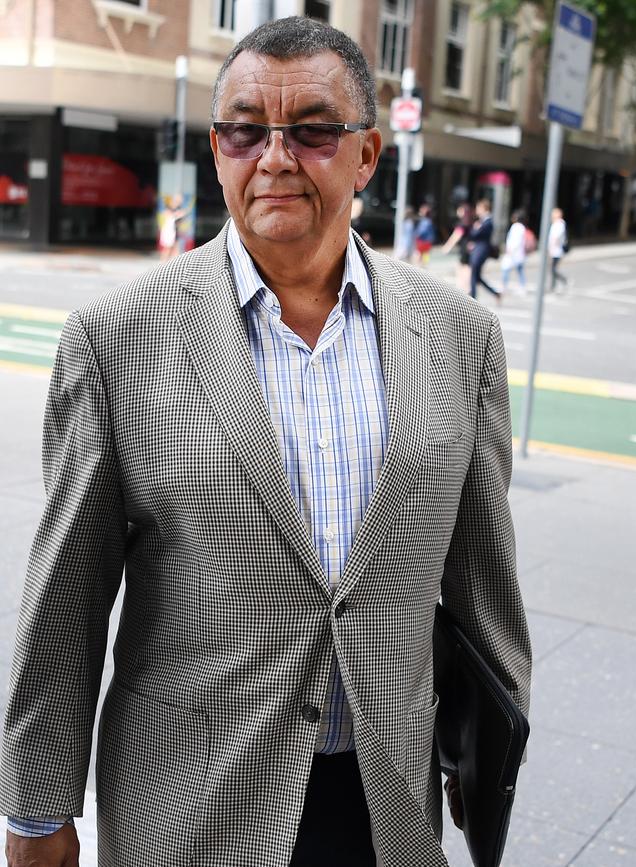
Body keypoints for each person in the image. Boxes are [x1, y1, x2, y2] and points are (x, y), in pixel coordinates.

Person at [1, 17, 531, 867]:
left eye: (313, 130)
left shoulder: (460, 336)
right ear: (218, 149)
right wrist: (35, 811)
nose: (275, 157)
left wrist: (493, 751)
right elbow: (67, 599)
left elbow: (484, 582)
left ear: (366, 156)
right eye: (246, 129)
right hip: (187, 808)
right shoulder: (114, 339)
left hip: (387, 807)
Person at [468, 198, 501, 302]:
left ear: (483, 208)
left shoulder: (487, 222)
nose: (477, 210)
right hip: (478, 250)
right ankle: (495, 293)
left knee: (474, 274)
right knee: (476, 276)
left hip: (481, 251)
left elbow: (475, 234)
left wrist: (476, 228)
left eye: (478, 208)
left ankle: (472, 298)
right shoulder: (482, 222)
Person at [441, 202, 473, 293]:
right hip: (468, 248)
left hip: (464, 248)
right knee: (465, 266)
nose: (457, 211)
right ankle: (466, 287)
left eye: (459, 209)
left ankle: (464, 287)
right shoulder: (470, 222)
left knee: (463, 267)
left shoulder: (462, 224)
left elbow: (456, 236)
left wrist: (447, 247)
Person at [501, 209, 528, 295]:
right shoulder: (522, 227)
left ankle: (504, 286)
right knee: (520, 270)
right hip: (519, 253)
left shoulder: (516, 227)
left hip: (513, 253)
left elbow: (516, 241)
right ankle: (522, 286)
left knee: (505, 269)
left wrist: (510, 249)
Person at [158, 193, 187, 261]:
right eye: (178, 200)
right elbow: (166, 215)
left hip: (174, 230)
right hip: (169, 231)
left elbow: (179, 221)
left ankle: (172, 263)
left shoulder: (178, 208)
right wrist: (177, 215)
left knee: (175, 248)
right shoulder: (169, 207)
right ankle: (163, 263)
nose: (180, 201)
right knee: (168, 248)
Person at [548, 207, 569, 291]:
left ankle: (564, 281)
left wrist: (551, 248)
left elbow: (556, 237)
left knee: (553, 269)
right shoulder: (556, 223)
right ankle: (553, 286)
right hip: (554, 250)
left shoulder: (560, 224)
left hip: (556, 250)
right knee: (553, 269)